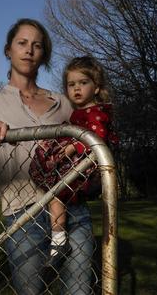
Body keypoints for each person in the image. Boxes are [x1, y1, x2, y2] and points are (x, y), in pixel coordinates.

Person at [0, 19, 95, 294]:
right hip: (23, 214)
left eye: (37, 45)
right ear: (8, 50)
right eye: (22, 43)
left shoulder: (65, 102)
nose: (29, 50)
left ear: (44, 54)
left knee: (80, 290)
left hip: (72, 206)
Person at [29, 56, 117, 264]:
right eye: (71, 84)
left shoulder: (96, 113)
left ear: (96, 87)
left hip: (85, 169)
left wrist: (72, 147)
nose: (76, 88)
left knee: (56, 194)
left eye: (83, 83)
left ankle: (58, 240)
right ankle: (58, 239)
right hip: (76, 167)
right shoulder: (81, 112)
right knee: (55, 195)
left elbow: (98, 139)